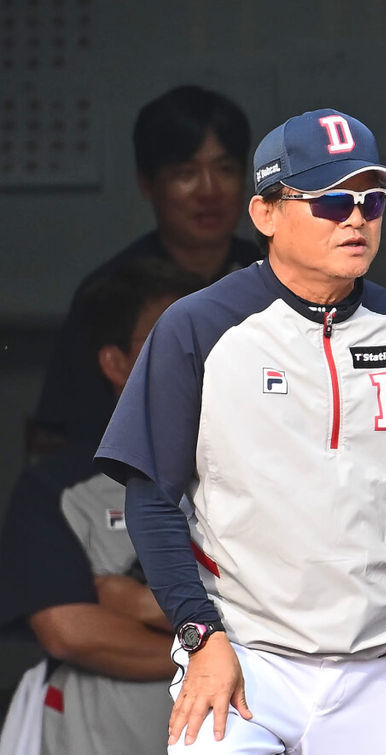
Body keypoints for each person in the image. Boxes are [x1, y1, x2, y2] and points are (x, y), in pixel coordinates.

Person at [94, 108, 386, 753]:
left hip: (377, 664)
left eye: (371, 202)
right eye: (331, 200)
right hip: (242, 658)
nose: (355, 218)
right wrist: (199, 635)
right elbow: (150, 495)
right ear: (264, 214)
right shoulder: (197, 328)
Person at [0, 258, 203, 755]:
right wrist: (215, 653)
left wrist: (138, 605)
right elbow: (71, 632)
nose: (196, 356)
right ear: (115, 364)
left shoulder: (256, 471)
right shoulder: (58, 485)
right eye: (169, 340)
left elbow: (287, 611)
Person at [29, 84, 261, 456]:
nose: (209, 190)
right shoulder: (111, 290)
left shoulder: (275, 277)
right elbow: (61, 435)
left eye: (225, 169)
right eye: (186, 172)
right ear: (147, 185)